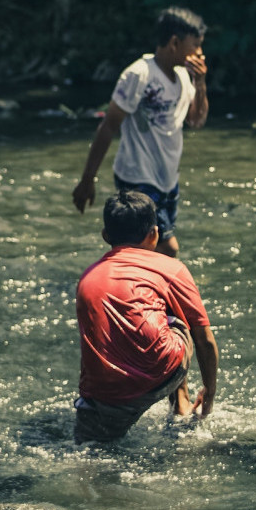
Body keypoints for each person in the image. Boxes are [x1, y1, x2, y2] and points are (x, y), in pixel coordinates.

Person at [74, 190, 219, 444]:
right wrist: (209, 393)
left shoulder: (87, 277)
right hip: (161, 371)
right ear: (154, 234)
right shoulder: (171, 268)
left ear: (106, 236)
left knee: (91, 453)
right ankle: (181, 404)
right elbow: (204, 339)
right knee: (175, 315)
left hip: (104, 394)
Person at [71, 7, 209, 257]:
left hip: (167, 179)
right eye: (195, 45)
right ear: (175, 43)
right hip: (137, 176)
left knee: (149, 248)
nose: (200, 52)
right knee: (167, 248)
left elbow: (196, 121)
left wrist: (200, 84)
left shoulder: (184, 77)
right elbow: (109, 125)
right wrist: (87, 178)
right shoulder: (140, 74)